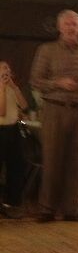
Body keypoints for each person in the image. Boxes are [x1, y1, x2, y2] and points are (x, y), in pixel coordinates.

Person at [29, 10, 78, 222]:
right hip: (54, 108)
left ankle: (73, 209)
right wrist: (58, 83)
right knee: (52, 158)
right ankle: (47, 209)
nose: (73, 28)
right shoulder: (47, 50)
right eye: (69, 24)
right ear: (60, 27)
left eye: (76, 25)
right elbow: (35, 80)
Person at [0, 60, 28, 218]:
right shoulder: (2, 88)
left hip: (14, 129)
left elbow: (24, 106)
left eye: (8, 68)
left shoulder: (12, 87)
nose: (7, 71)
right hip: (1, 128)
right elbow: (1, 112)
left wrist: (14, 87)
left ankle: (12, 203)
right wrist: (2, 88)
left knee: (16, 166)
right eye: (3, 68)